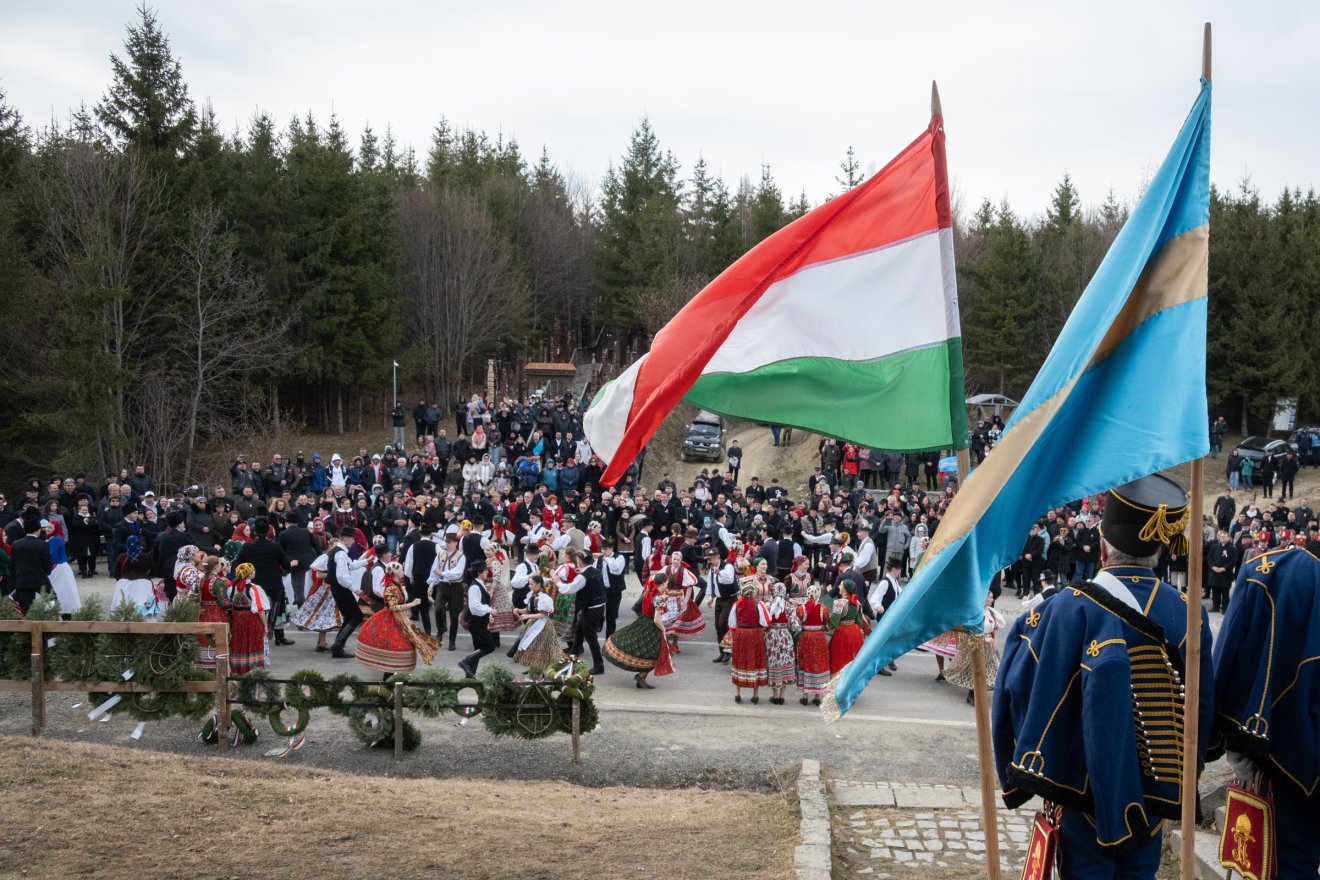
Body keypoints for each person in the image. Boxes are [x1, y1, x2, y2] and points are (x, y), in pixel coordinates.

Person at [992, 474, 1214, 879]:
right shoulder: (1189, 614)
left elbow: (1017, 689)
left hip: (1080, 797)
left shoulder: (1062, 608)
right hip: (1155, 799)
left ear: (1102, 548)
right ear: (1159, 550)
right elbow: (1203, 705)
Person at [1210, 535, 1320, 877]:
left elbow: (1229, 660)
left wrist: (1228, 738)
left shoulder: (1269, 571)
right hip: (1291, 749)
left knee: (1290, 861)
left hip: (1288, 751)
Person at [356, 561, 439, 678]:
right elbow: (393, 607)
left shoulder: (397, 585)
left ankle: (392, 674)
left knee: (409, 643)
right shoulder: (391, 588)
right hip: (391, 620)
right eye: (401, 570)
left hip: (400, 618)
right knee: (398, 645)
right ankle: (389, 677)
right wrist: (411, 604)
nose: (403, 572)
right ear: (395, 573)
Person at [604, 570, 675, 689]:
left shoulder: (648, 591)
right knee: (655, 653)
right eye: (666, 584)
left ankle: (641, 677)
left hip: (643, 621)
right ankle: (641, 677)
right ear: (662, 584)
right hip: (651, 626)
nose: (667, 586)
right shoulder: (659, 598)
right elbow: (656, 620)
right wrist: (663, 629)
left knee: (649, 652)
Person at [219, 562, 268, 675]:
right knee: (252, 642)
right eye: (253, 570)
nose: (254, 571)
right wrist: (265, 625)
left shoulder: (232, 587)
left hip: (237, 619)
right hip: (251, 619)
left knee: (239, 641)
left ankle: (238, 669)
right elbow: (260, 609)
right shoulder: (254, 588)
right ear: (249, 574)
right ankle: (253, 669)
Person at [288, 549, 341, 652]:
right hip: (327, 591)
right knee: (324, 616)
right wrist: (336, 575)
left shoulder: (334, 558)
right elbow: (318, 575)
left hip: (330, 590)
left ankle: (322, 642)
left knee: (324, 616)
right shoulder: (326, 558)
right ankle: (324, 642)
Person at [510, 575, 567, 669]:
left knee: (541, 648)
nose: (529, 586)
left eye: (531, 584)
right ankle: (534, 669)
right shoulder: (531, 595)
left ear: (539, 585)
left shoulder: (544, 597)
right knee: (532, 647)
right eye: (529, 584)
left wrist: (528, 616)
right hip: (533, 623)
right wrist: (518, 610)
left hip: (543, 626)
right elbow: (528, 609)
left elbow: (545, 614)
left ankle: (542, 669)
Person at [327, 527, 366, 659]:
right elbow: (342, 577)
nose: (353, 541)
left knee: (350, 616)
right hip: (341, 589)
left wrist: (367, 560)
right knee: (356, 616)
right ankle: (338, 646)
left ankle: (338, 645)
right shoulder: (340, 554)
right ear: (345, 539)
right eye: (352, 539)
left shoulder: (340, 552)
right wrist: (355, 589)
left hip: (338, 588)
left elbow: (351, 565)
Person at [729, 581, 769, 703]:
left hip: (740, 634)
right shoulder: (758, 604)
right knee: (755, 660)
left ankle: (737, 693)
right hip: (754, 634)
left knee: (740, 661)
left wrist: (733, 638)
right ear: (752, 592)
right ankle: (755, 694)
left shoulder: (736, 605)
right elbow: (766, 622)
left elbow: (732, 624)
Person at [427, 532, 467, 651]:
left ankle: (452, 640)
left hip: (456, 586)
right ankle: (440, 631)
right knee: (438, 609)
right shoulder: (440, 554)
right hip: (443, 585)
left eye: (449, 542)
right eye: (446, 541)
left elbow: (458, 573)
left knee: (454, 615)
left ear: (455, 543)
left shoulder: (461, 556)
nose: (447, 544)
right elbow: (434, 569)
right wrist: (431, 584)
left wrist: (443, 573)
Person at [9, 511, 53, 614]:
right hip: (40, 580)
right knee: (53, 603)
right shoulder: (42, 545)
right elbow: (47, 567)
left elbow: (13, 565)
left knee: (25, 610)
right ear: (38, 530)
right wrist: (45, 572)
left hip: (22, 581)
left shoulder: (15, 544)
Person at [457, 570, 498, 678]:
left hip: (480, 622)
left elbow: (482, 604)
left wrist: (488, 616)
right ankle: (466, 661)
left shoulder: (480, 585)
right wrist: (489, 610)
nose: (487, 573)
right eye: (485, 571)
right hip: (475, 623)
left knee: (478, 649)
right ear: (479, 572)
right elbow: (474, 607)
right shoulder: (475, 587)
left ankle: (469, 677)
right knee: (490, 646)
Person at [795, 585, 831, 705]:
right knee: (819, 663)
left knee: (805, 663)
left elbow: (798, 622)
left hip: (805, 637)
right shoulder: (823, 608)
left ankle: (805, 695)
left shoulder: (801, 608)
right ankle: (817, 696)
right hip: (819, 637)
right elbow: (826, 622)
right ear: (818, 595)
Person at [763, 582, 796, 705]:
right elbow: (795, 626)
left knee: (773, 664)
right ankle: (782, 695)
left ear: (773, 591)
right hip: (785, 637)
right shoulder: (789, 607)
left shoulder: (768, 605)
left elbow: (763, 623)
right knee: (784, 664)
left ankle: (775, 695)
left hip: (771, 637)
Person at [195, 555, 230, 670]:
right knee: (217, 639)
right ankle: (217, 667)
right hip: (216, 614)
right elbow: (224, 602)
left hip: (203, 614)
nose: (221, 566)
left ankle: (204, 666)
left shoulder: (201, 580)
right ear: (215, 566)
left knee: (204, 639)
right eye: (219, 564)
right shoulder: (218, 582)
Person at [705, 547, 738, 663]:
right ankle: (722, 652)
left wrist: (720, 573)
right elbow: (711, 583)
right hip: (720, 599)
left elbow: (729, 580)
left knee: (723, 623)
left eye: (710, 559)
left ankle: (728, 650)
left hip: (730, 599)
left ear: (717, 557)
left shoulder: (727, 566)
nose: (709, 561)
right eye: (708, 559)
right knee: (717, 626)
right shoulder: (712, 569)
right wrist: (710, 598)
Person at [42, 519, 81, 618]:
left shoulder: (55, 539)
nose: (47, 529)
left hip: (58, 568)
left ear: (56, 529)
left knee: (60, 590)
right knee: (62, 590)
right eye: (47, 527)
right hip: (58, 567)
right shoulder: (52, 538)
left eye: (50, 528)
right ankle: (63, 611)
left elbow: (52, 556)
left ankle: (63, 611)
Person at [828, 578, 866, 675]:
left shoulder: (839, 603)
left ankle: (839, 678)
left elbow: (834, 623)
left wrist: (822, 627)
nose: (839, 586)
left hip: (843, 633)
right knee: (852, 656)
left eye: (840, 585)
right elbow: (859, 621)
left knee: (841, 656)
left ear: (844, 589)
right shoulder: (857, 603)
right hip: (855, 632)